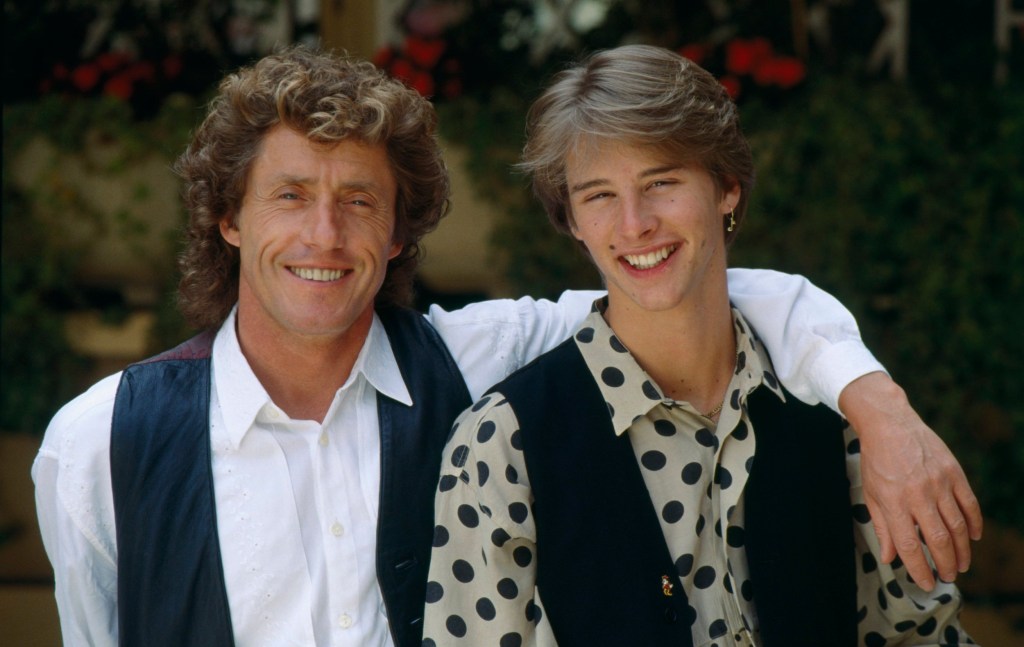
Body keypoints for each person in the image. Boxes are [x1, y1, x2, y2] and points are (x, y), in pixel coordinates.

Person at [32, 46, 977, 647]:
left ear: (400, 232)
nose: (324, 235)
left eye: (360, 200)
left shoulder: (477, 360)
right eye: (288, 195)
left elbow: (702, 289)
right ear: (227, 219)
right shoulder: (98, 443)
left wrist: (875, 405)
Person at [423, 45, 977, 646]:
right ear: (573, 222)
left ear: (727, 189)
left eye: (661, 182)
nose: (634, 224)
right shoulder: (501, 445)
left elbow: (916, 636)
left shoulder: (832, 411)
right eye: (599, 195)